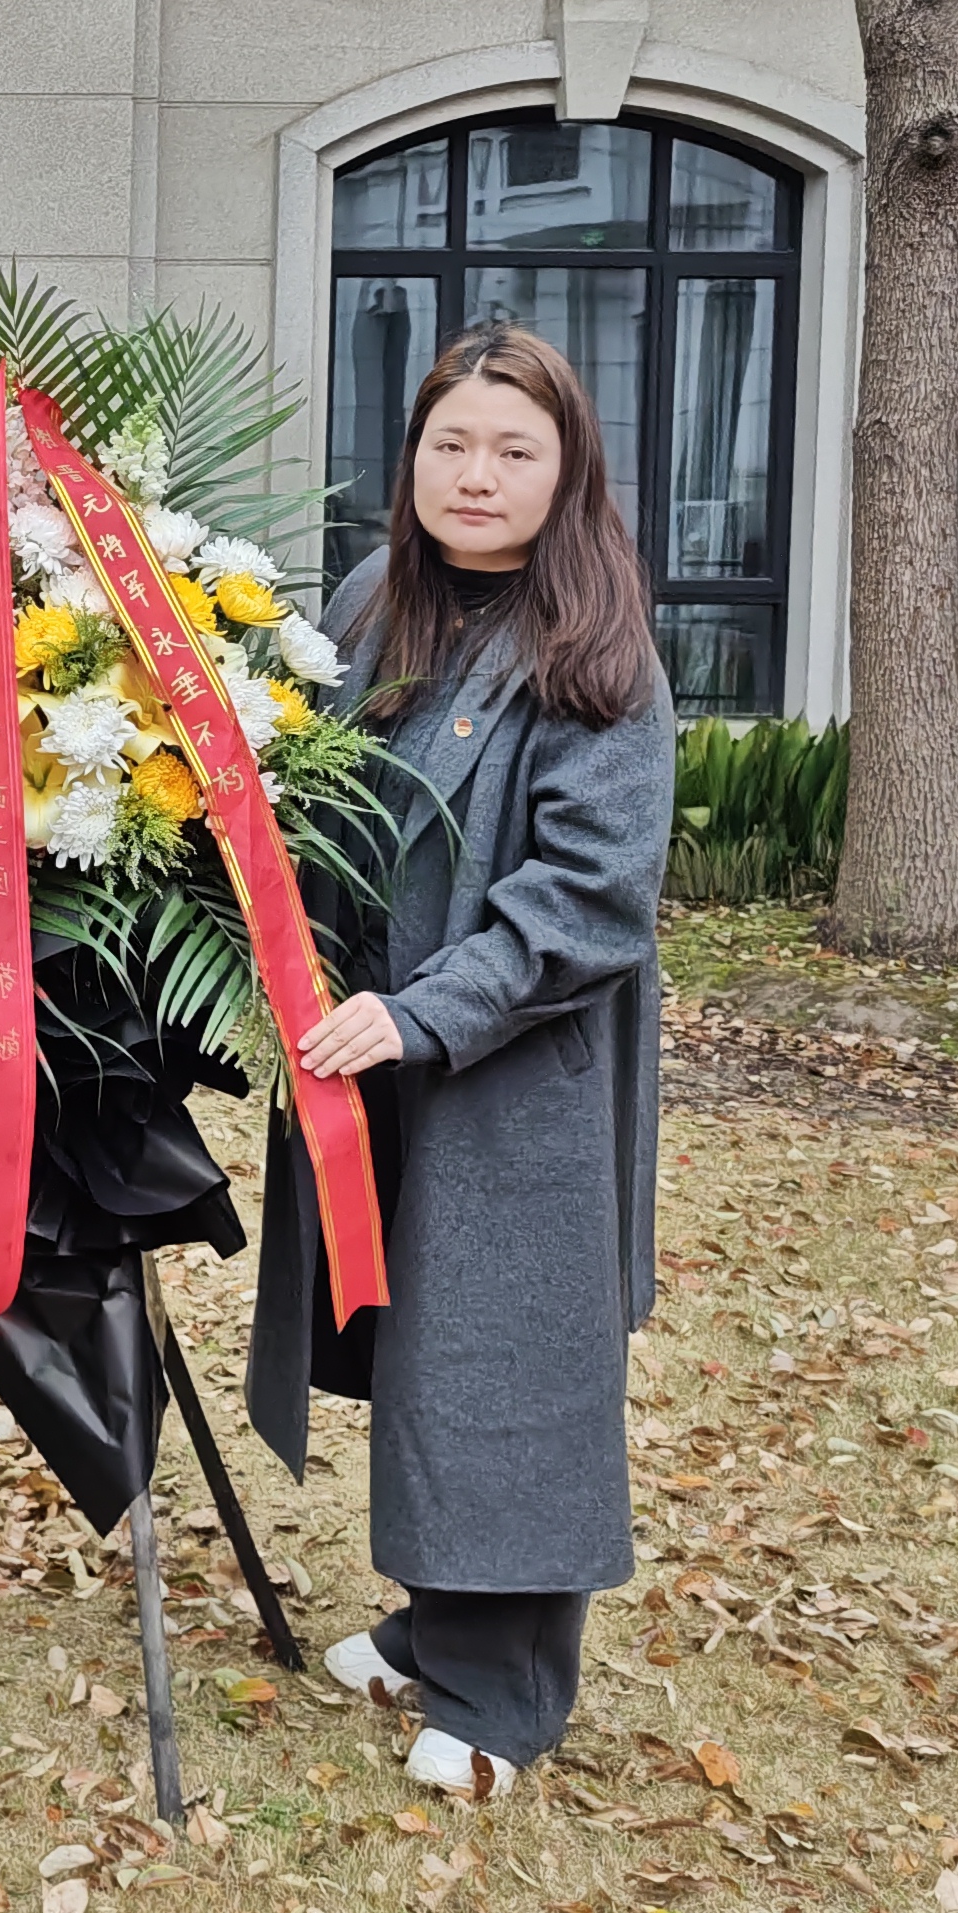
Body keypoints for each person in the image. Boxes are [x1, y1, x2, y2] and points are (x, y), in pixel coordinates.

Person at [250, 317, 675, 1800]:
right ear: (412, 455)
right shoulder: (377, 602)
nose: (475, 475)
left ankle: (504, 1700)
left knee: (506, 1368)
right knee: (424, 1355)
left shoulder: (597, 651)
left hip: (515, 1068)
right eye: (451, 444)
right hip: (379, 1047)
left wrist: (431, 1009)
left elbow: (590, 894)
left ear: (568, 472)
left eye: (513, 450)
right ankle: (436, 1626)